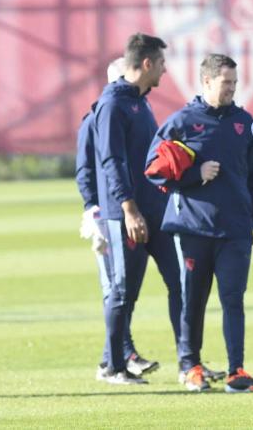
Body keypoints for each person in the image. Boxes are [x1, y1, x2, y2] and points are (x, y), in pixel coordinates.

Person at [145, 54, 253, 393]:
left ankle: (236, 372)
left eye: (234, 83)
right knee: (193, 299)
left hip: (236, 229)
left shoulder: (244, 122)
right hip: (194, 228)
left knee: (233, 299)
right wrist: (195, 176)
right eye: (226, 83)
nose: (232, 89)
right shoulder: (182, 121)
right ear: (208, 82)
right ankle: (190, 366)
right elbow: (153, 169)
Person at [90, 34, 181, 385]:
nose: (165, 69)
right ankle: (112, 366)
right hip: (126, 214)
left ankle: (189, 362)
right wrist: (129, 210)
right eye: (161, 63)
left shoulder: (140, 102)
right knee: (122, 290)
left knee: (179, 283)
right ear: (146, 64)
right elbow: (111, 160)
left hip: (155, 211)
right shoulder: (113, 103)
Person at [75, 57, 163, 382]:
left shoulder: (138, 108)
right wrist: (92, 210)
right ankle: (117, 359)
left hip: (128, 210)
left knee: (122, 288)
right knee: (116, 288)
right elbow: (86, 168)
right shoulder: (98, 117)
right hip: (108, 215)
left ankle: (118, 355)